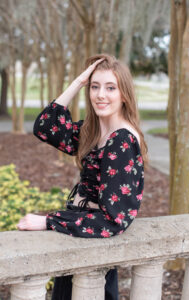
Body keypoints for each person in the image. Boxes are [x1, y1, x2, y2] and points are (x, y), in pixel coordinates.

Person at [17, 54, 148, 299]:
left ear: (124, 94)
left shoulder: (121, 140)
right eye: (95, 86)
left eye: (111, 87)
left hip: (94, 248)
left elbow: (114, 220)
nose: (100, 95)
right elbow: (45, 127)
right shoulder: (95, 130)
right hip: (80, 236)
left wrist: (49, 221)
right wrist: (78, 82)